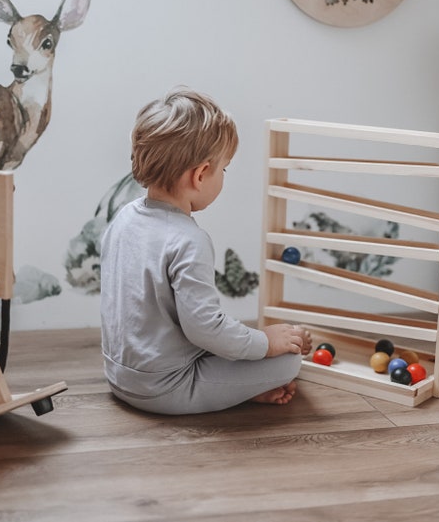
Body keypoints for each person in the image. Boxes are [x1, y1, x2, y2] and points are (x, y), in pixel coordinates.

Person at [100, 87, 312, 415]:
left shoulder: (124, 218)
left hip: (119, 375)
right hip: (165, 387)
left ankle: (234, 388)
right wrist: (266, 343)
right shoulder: (188, 240)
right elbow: (204, 329)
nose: (223, 176)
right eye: (223, 169)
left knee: (231, 340)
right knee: (287, 362)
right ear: (200, 175)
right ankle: (235, 389)